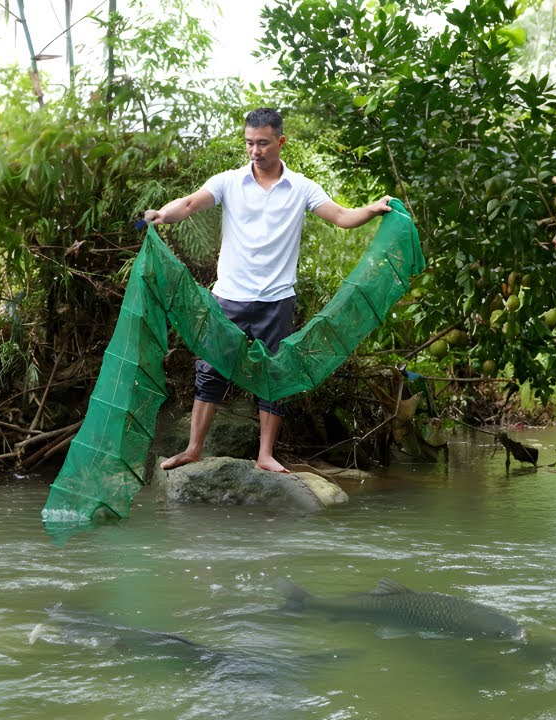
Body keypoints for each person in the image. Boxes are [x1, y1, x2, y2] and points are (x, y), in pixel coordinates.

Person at [143, 107, 392, 473]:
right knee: (211, 369)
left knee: (273, 374)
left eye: (262, 143)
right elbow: (190, 203)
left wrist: (371, 209)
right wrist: (162, 214)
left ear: (280, 141)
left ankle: (265, 456)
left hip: (276, 299)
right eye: (249, 143)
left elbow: (341, 217)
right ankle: (194, 449)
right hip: (228, 296)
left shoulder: (302, 187)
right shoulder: (229, 181)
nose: (255, 151)